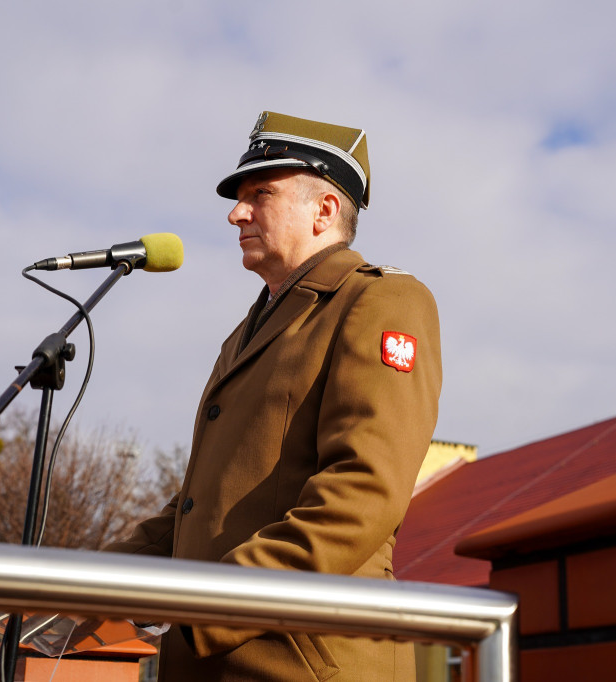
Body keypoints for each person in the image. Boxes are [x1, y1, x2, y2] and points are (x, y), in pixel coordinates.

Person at [108, 111, 442, 681]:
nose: (236, 213)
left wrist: (210, 607)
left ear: (324, 211)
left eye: (261, 194)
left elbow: (361, 492)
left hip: (304, 662)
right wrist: (72, 587)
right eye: (241, 198)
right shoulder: (248, 332)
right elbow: (194, 511)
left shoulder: (381, 303)